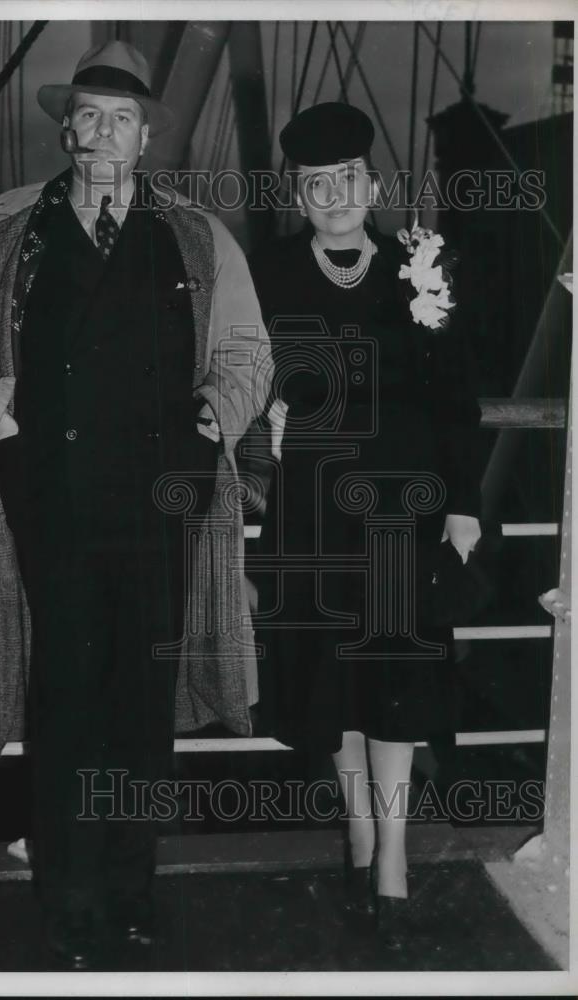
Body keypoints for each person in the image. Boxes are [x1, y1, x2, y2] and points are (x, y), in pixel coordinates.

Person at [0, 40, 271, 970]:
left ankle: (132, 892)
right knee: (66, 700)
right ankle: (68, 899)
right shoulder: (4, 237)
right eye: (87, 115)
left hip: (166, 504)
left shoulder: (199, 236)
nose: (103, 132)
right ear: (67, 130)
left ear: (146, 135)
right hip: (52, 504)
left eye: (122, 117)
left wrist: (213, 422)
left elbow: (246, 353)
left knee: (142, 708)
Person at [248, 102, 483, 949]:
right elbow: (239, 365)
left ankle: (391, 857)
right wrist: (264, 411)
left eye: (348, 178)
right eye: (316, 184)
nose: (335, 194)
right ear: (297, 195)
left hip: (405, 510)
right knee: (331, 681)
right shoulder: (269, 269)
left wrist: (462, 503)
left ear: (372, 184)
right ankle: (356, 832)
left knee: (393, 681)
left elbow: (458, 397)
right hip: (313, 503)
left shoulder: (421, 264)